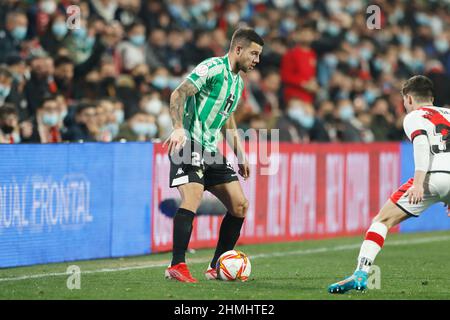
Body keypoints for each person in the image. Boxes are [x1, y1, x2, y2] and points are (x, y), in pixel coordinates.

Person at [328, 75, 450, 294]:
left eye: (404, 101)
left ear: (409, 98)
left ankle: (361, 272)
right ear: (432, 97)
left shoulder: (414, 116)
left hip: (433, 175)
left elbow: (422, 143)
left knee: (382, 220)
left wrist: (419, 183)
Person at [163, 27, 264, 283]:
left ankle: (216, 265)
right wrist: (177, 128)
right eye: (253, 53)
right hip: (189, 142)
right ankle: (177, 265)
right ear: (238, 49)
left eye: (259, 55)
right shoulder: (212, 68)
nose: (257, 60)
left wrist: (240, 154)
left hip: (211, 150)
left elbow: (226, 119)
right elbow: (179, 93)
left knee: (240, 205)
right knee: (193, 196)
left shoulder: (238, 83)